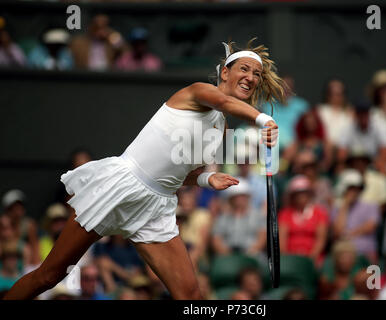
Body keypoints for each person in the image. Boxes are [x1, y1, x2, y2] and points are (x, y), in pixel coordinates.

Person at [3, 38, 285, 300]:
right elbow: (223, 102)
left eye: (257, 74)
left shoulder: (222, 129)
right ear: (225, 72)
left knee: (190, 296)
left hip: (156, 208)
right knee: (50, 276)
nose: (251, 77)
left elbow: (179, 172)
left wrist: (207, 178)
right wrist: (263, 121)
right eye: (245, 69)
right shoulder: (199, 92)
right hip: (121, 185)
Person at [332, 169, 380, 262]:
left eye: (357, 188)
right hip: (343, 254)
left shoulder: (371, 205)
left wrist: (348, 234)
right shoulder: (337, 208)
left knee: (372, 267)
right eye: (351, 188)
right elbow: (338, 232)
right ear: (344, 189)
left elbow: (370, 227)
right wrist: (345, 205)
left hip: (366, 251)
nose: (354, 192)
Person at [278, 175, 329, 263]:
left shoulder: (320, 213)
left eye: (304, 193)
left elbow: (321, 239)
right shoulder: (285, 214)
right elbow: (282, 241)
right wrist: (288, 259)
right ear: (292, 196)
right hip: (290, 259)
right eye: (297, 193)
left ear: (309, 194)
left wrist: (310, 259)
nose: (301, 196)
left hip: (313, 259)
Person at [212, 178, 266, 256]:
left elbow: (262, 237)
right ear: (230, 199)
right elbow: (216, 239)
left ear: (248, 197)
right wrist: (227, 254)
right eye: (236, 196)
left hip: (253, 256)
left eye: (242, 196)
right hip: (227, 256)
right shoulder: (222, 218)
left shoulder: (258, 216)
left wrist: (250, 252)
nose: (240, 199)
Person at [336, 100, 386, 175]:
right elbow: (341, 156)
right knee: (340, 169)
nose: (363, 116)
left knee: (384, 169)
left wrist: (377, 166)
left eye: (365, 112)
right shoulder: (347, 128)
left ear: (369, 113)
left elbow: (384, 153)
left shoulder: (379, 126)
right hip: (353, 167)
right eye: (360, 113)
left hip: (374, 166)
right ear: (356, 114)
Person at [261, 74, 309, 151]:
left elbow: (308, 129)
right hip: (269, 144)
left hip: (295, 146)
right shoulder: (266, 106)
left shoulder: (302, 106)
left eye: (288, 86)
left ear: (293, 88)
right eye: (282, 86)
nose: (285, 88)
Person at [317, 79, 353, 148]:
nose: (336, 97)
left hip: (345, 149)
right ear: (327, 95)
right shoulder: (320, 111)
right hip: (325, 148)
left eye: (340, 94)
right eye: (333, 93)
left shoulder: (351, 113)